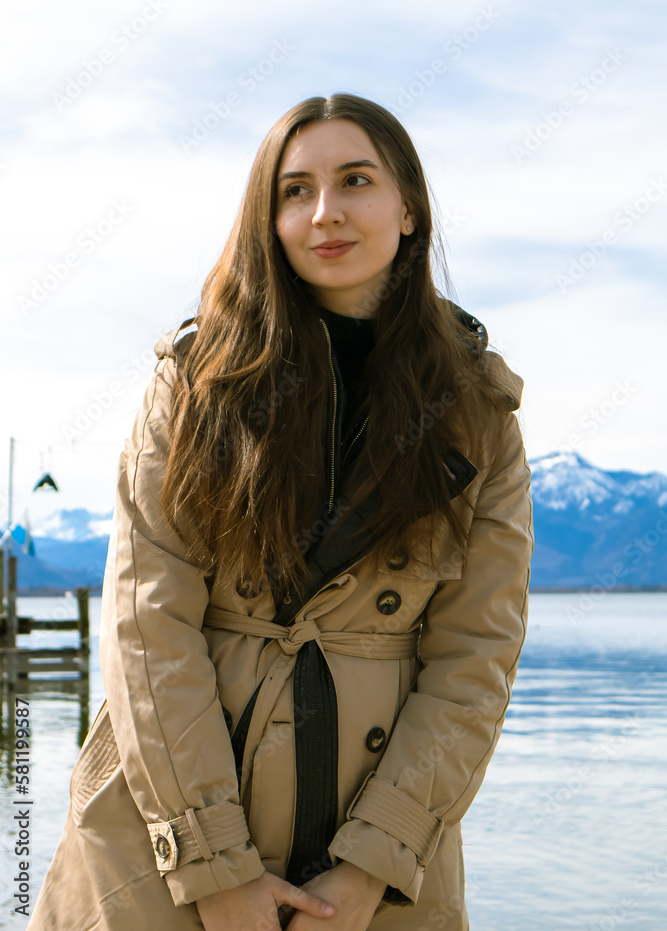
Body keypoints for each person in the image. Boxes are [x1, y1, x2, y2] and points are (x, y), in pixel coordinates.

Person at [28, 93, 533, 931]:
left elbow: (477, 654)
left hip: (377, 854)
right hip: (164, 835)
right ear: (267, 219)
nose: (323, 212)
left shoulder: (476, 409)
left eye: (355, 180)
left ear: (407, 208)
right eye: (293, 191)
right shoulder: (194, 385)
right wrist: (214, 864)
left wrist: (374, 864)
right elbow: (146, 627)